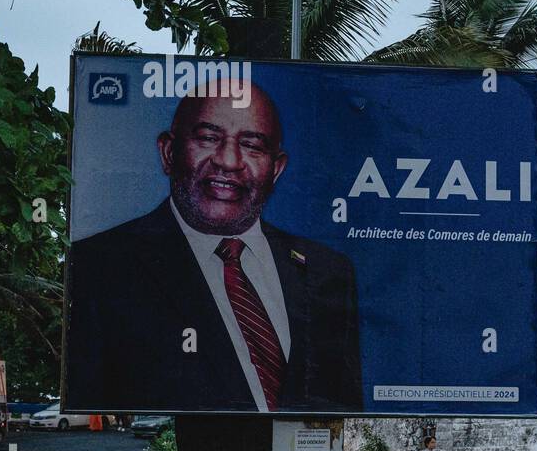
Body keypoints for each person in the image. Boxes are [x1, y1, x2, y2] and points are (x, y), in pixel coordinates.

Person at [66, 85, 363, 413]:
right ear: (168, 152)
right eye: (208, 138)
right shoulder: (99, 268)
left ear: (276, 169)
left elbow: (343, 412)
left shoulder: (328, 271)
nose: (228, 161)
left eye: (251, 145)